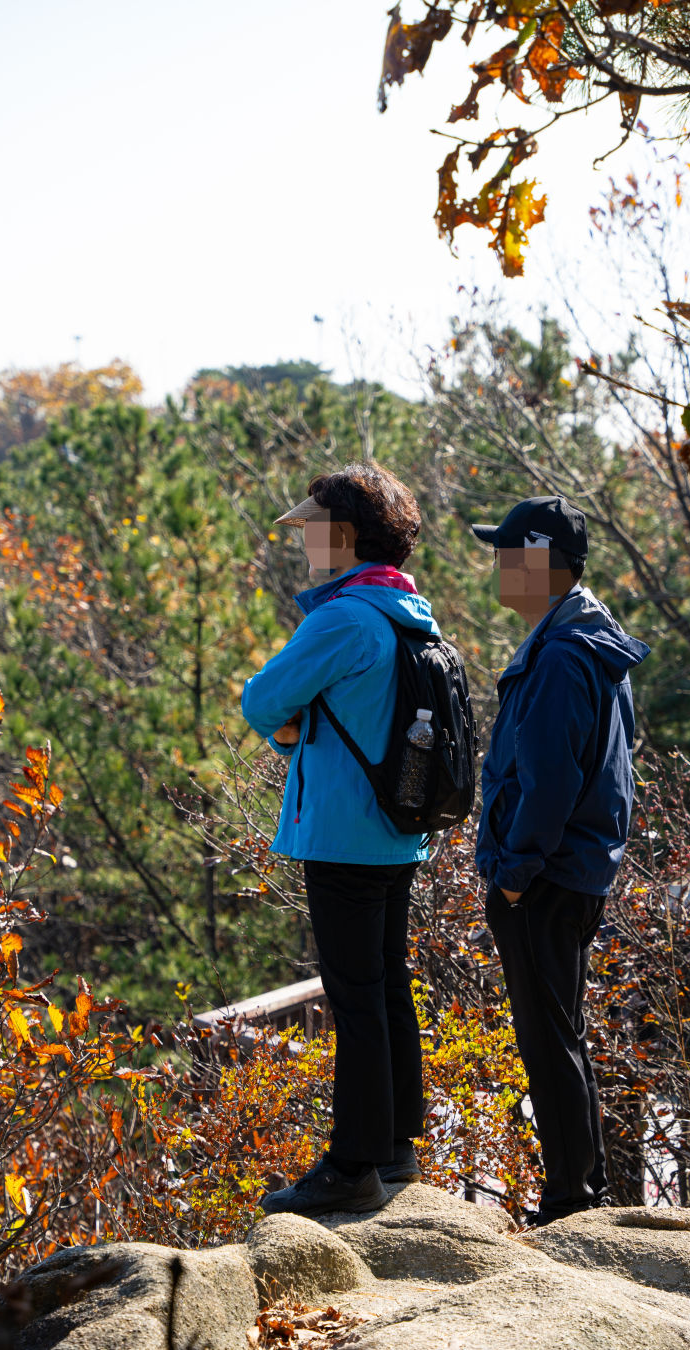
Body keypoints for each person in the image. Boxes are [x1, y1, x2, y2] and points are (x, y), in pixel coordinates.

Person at [241, 462, 439, 1217]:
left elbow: (264, 699)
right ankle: (396, 1149)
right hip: (396, 829)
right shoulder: (409, 612)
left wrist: (292, 735)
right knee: (388, 988)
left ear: (346, 535)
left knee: (354, 999)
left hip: (343, 833)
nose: (302, 540)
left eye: (312, 527)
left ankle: (353, 1163)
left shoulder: (342, 617)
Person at [471, 494, 650, 1226]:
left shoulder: (560, 655)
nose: (497, 567)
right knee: (561, 1034)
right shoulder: (588, 639)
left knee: (549, 1042)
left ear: (540, 562)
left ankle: (572, 1202)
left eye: (507, 554)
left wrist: (513, 875)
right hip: (572, 869)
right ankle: (584, 1193)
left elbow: (550, 780)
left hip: (543, 876)